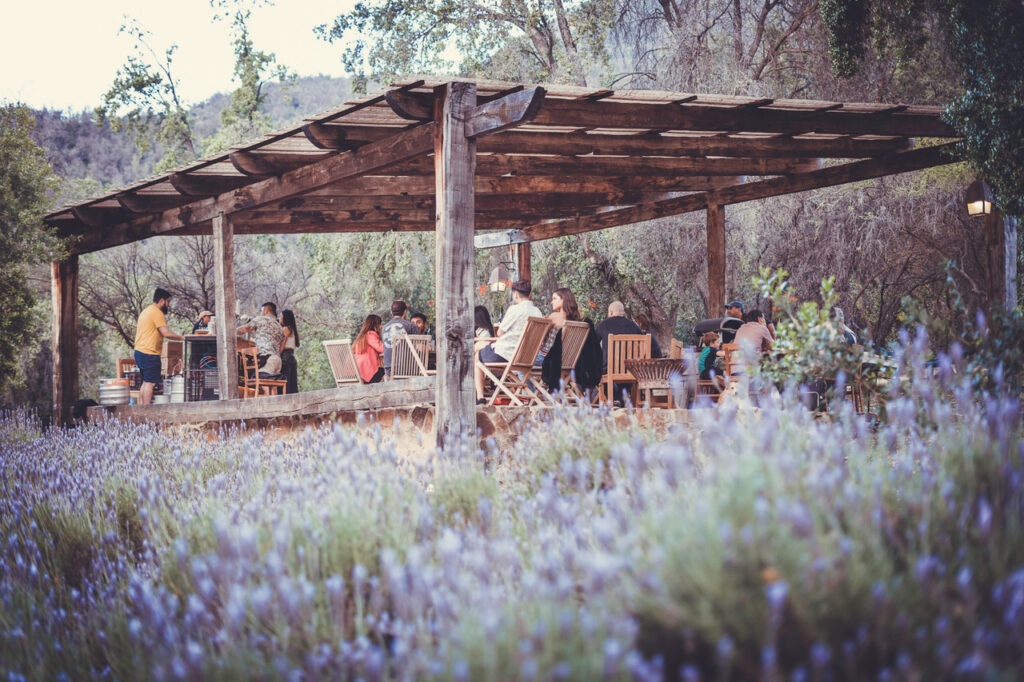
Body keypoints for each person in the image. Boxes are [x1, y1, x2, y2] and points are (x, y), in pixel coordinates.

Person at [475, 279, 543, 401]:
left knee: (477, 356)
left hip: (507, 354)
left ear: (515, 294)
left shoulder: (515, 310)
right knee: (482, 346)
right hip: (526, 357)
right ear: (530, 294)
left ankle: (480, 397)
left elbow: (500, 332)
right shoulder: (538, 313)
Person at [133, 287, 184, 405]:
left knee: (146, 383)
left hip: (140, 351)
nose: (168, 305)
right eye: (168, 301)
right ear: (161, 301)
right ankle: (146, 412)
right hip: (149, 352)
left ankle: (140, 412)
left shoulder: (146, 311)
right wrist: (183, 338)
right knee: (150, 383)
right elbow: (166, 333)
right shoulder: (157, 313)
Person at [237, 302, 284, 375]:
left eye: (261, 310)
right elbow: (282, 346)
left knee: (262, 382)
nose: (260, 312)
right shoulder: (280, 327)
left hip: (267, 358)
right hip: (278, 361)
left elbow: (245, 329)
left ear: (265, 310)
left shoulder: (260, 319)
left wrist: (230, 331)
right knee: (273, 384)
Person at [594, 301, 642, 372]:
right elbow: (642, 343)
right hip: (631, 370)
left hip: (609, 370)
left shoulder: (603, 325)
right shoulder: (633, 326)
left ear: (611, 312)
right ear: (622, 312)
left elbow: (594, 343)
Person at [381, 300, 418, 377]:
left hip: (389, 370)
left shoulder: (384, 328)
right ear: (405, 312)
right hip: (407, 369)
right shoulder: (410, 326)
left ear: (391, 312)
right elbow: (420, 346)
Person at [733, 308, 774, 374]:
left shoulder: (741, 328)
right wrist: (764, 326)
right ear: (760, 319)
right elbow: (774, 346)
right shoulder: (762, 328)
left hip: (735, 370)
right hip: (750, 371)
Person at [353, 314, 385, 383]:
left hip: (356, 371)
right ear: (375, 325)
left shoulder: (361, 337)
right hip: (366, 371)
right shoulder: (370, 334)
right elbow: (382, 348)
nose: (381, 326)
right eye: (379, 324)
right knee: (387, 371)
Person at [279, 309, 300, 394]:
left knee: (285, 385)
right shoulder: (292, 329)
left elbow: (283, 344)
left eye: (281, 316)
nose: (279, 318)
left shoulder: (286, 329)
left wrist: (277, 354)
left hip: (285, 358)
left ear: (285, 318)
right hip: (291, 358)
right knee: (292, 385)